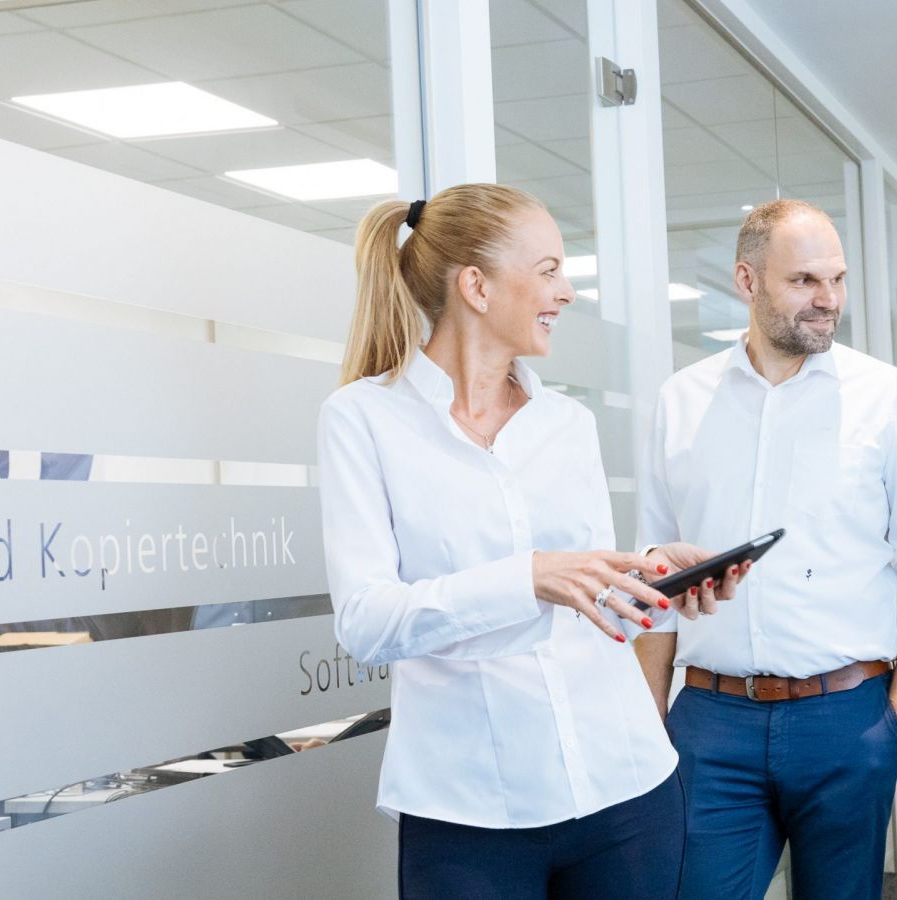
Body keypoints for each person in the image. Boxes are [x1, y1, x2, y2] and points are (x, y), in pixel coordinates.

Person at [317, 184, 742, 900]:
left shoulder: (565, 424)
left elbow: (595, 600)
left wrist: (652, 580)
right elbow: (366, 621)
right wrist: (530, 576)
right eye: (548, 269)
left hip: (625, 785)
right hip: (469, 810)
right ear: (476, 286)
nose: (566, 292)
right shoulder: (362, 420)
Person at [633, 199, 897, 900]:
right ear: (747, 281)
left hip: (847, 716)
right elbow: (653, 577)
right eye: (805, 280)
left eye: (836, 280)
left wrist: (894, 721)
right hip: (711, 722)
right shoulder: (682, 401)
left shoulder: (886, 399)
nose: (828, 300)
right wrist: (651, 718)